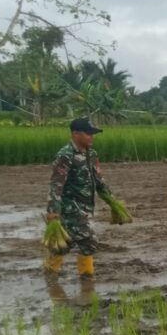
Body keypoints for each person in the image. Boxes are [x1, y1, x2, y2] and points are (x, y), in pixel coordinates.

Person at [44, 117, 118, 278]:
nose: (92, 136)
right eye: (88, 133)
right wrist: (52, 211)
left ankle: (50, 272)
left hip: (86, 206)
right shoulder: (65, 155)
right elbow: (56, 184)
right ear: (76, 134)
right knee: (89, 241)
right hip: (70, 207)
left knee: (65, 244)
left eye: (93, 133)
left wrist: (112, 201)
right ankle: (87, 277)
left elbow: (98, 180)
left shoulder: (91, 154)